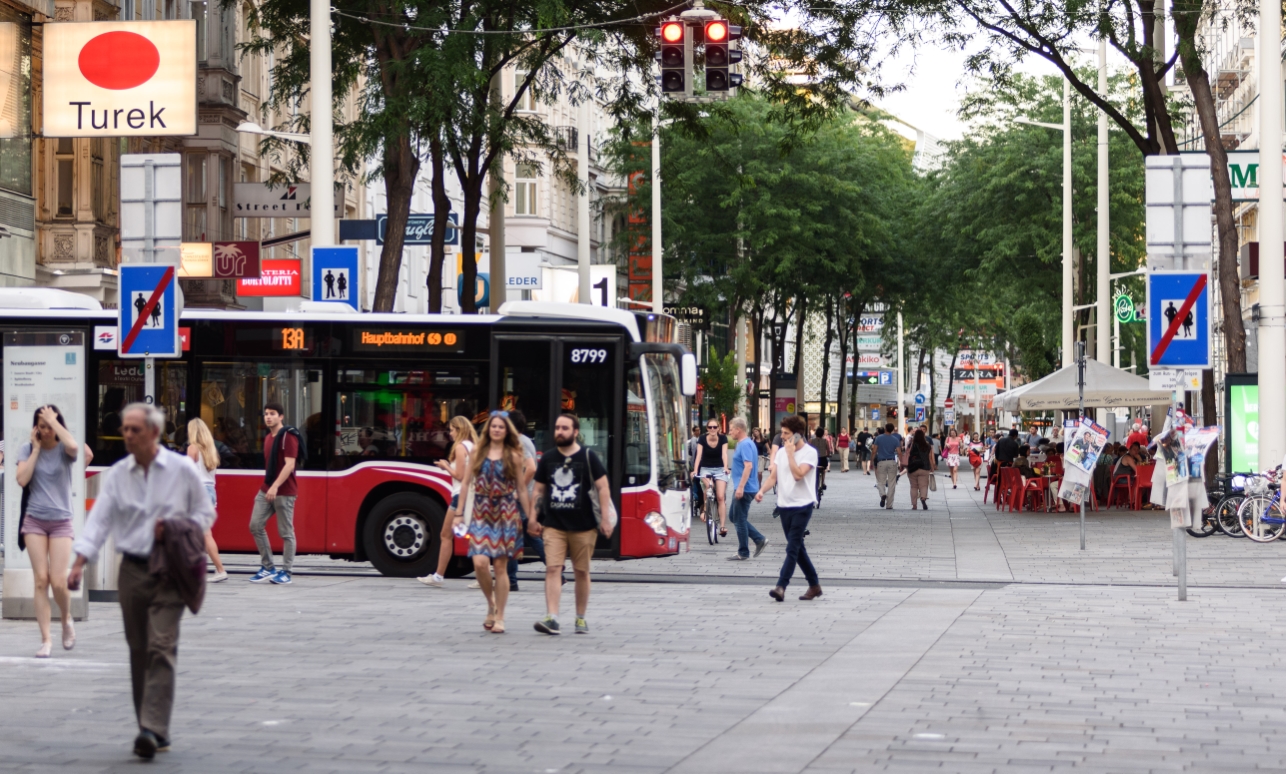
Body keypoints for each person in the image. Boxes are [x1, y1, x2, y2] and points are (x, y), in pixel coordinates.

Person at [68, 403, 216, 759]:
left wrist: (177, 526)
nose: (127, 435)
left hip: (170, 569)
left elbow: (205, 512)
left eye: (134, 429)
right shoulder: (119, 474)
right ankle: (149, 726)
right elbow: (100, 521)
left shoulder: (181, 470)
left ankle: (152, 728)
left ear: (153, 432)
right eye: (124, 429)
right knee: (138, 649)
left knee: (160, 645)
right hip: (132, 570)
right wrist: (78, 563)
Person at [532, 413, 615, 635]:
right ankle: (552, 617)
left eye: (564, 428)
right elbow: (538, 490)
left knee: (581, 571)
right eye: (557, 428)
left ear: (575, 432)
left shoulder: (588, 456)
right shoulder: (548, 458)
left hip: (584, 526)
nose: (559, 431)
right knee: (552, 569)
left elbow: (603, 487)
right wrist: (533, 517)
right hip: (554, 525)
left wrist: (605, 518)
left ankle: (580, 617)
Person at [16, 405, 83, 658]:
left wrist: (55, 422)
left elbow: (75, 447)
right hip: (34, 520)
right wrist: (34, 450)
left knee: (58, 580)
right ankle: (46, 640)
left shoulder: (65, 448)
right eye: (41, 426)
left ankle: (66, 619)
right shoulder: (27, 448)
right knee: (41, 580)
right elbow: (22, 479)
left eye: (48, 426)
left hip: (61, 521)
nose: (45, 431)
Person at [456, 411, 531, 634]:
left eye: (501, 427)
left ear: (507, 430)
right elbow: (465, 482)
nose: (496, 429)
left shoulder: (514, 455)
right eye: (493, 426)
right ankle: (491, 603)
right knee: (479, 563)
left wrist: (531, 516)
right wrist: (459, 513)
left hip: (506, 512)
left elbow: (521, 488)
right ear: (488, 429)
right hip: (482, 511)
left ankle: (500, 616)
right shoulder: (478, 452)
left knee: (500, 566)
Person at [755, 414, 821, 602]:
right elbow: (773, 477)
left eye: (786, 433)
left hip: (803, 505)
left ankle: (781, 586)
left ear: (798, 435)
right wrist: (762, 491)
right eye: (781, 432)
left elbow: (799, 474)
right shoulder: (782, 453)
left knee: (792, 548)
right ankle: (814, 585)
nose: (782, 437)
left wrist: (791, 454)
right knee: (798, 548)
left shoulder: (810, 452)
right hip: (784, 506)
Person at [419, 415, 476, 587]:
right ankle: (484, 576)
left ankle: (438, 576)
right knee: (474, 536)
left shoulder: (460, 447)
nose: (450, 434)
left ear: (459, 430)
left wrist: (445, 467)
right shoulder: (473, 445)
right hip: (472, 495)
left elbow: (460, 475)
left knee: (445, 535)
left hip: (460, 495)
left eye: (451, 430)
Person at [248, 402, 298, 585]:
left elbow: (290, 465)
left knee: (286, 532)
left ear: (281, 417)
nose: (268, 417)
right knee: (255, 525)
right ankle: (268, 567)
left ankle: (286, 572)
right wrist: (270, 486)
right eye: (266, 413)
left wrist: (275, 486)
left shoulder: (288, 437)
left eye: (273, 413)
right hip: (267, 488)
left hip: (284, 491)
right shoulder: (269, 437)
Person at [185, 418, 227, 583]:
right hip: (209, 491)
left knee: (204, 534)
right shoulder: (211, 450)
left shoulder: (192, 448)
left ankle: (220, 569)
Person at [504, 408, 541, 592]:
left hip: (519, 497)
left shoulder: (520, 442)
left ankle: (511, 580)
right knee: (528, 536)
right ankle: (557, 572)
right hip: (523, 495)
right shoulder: (526, 441)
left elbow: (532, 468)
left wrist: (518, 491)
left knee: (512, 537)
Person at [726, 417, 768, 561]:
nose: (729, 431)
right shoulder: (745, 443)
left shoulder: (745, 445)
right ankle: (758, 539)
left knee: (739, 519)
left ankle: (744, 551)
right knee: (733, 516)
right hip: (745, 487)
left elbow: (749, 466)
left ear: (738, 430)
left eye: (731, 429)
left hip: (744, 488)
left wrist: (741, 487)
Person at [690, 419, 730, 537]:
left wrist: (726, 468)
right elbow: (698, 456)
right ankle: (706, 509)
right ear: (707, 429)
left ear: (718, 428)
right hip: (706, 468)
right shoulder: (702, 439)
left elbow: (724, 454)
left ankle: (722, 526)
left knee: (720, 496)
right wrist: (695, 470)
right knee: (708, 486)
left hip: (719, 468)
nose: (712, 429)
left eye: (715, 427)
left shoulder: (723, 439)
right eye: (710, 427)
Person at [903, 429, 936, 510]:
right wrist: (932, 467)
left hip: (912, 467)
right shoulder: (927, 445)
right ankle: (923, 498)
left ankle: (914, 505)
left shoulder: (910, 444)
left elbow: (906, 454)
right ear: (923, 436)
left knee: (914, 486)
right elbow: (929, 457)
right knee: (924, 485)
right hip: (924, 467)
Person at [873, 423, 903, 509]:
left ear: (885, 428)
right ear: (893, 430)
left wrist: (872, 459)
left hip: (881, 462)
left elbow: (874, 450)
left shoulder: (879, 438)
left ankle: (882, 494)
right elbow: (899, 452)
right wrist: (901, 462)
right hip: (892, 462)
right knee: (892, 483)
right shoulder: (895, 439)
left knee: (880, 481)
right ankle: (889, 505)